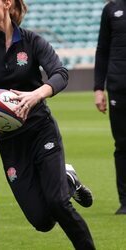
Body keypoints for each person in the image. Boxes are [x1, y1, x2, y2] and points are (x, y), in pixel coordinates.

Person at [0, 0, 96, 249]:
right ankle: (68, 180)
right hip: (8, 140)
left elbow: (60, 73)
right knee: (41, 221)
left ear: (7, 3)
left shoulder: (32, 41)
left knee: (59, 204)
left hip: (41, 131)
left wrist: (38, 94)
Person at [94, 0, 126, 215]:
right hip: (119, 86)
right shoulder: (112, 8)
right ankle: (125, 201)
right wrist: (98, 88)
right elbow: (102, 49)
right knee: (122, 145)